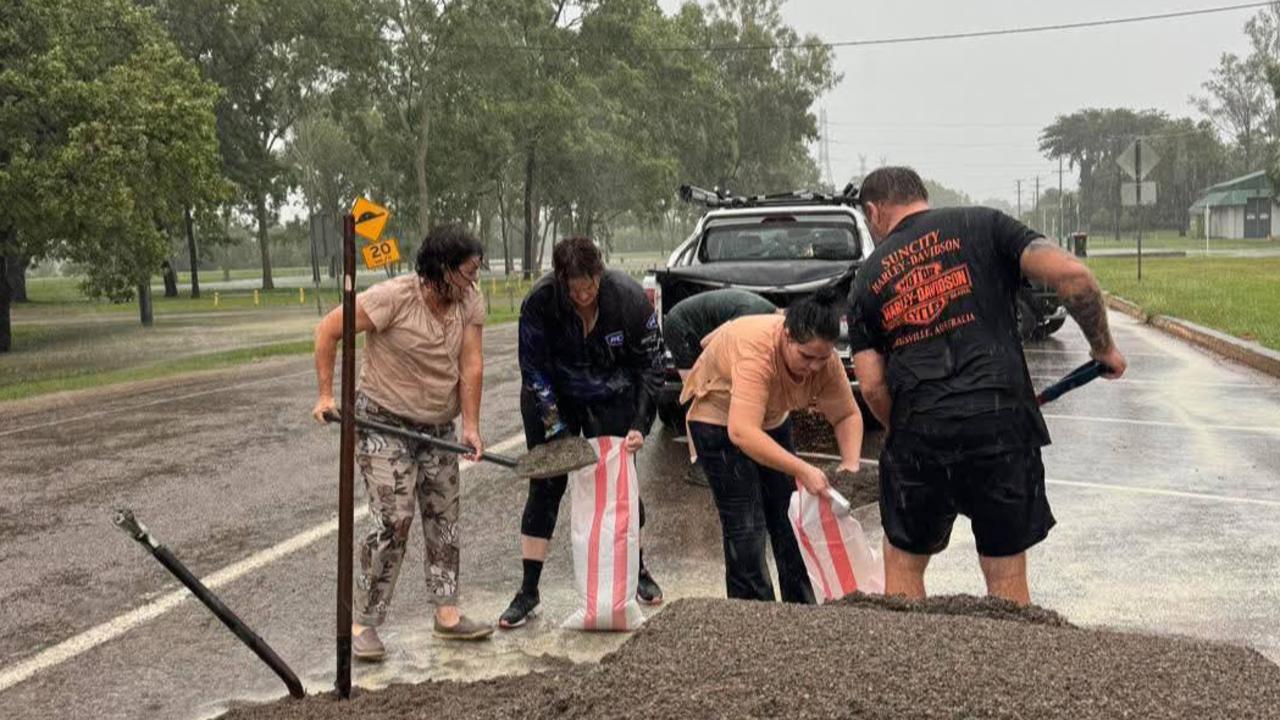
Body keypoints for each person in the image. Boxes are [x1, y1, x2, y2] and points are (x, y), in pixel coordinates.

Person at [847, 166, 1127, 606]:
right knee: (1004, 567)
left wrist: (908, 428)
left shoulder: (867, 277)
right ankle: (1012, 663)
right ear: (920, 197)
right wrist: (1104, 349)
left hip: (920, 433)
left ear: (873, 211)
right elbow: (1073, 276)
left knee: (903, 562)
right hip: (1000, 426)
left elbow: (873, 386)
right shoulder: (984, 224)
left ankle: (904, 664)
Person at [312, 224, 494, 661]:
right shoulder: (392, 298)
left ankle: (447, 614)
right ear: (443, 269)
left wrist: (471, 425)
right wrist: (325, 394)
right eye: (468, 272)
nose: (473, 281)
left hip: (437, 428)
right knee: (393, 518)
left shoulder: (468, 301)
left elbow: (472, 364)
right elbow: (328, 330)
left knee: (444, 517)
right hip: (384, 424)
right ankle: (363, 624)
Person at [500, 237, 665, 628]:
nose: (583, 296)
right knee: (546, 485)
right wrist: (556, 428)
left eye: (589, 286)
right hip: (552, 395)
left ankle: (635, 569)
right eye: (574, 289)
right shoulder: (539, 303)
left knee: (620, 482)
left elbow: (651, 366)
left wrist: (640, 425)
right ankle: (528, 591)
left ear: (600, 273)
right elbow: (533, 370)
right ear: (561, 281)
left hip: (612, 394)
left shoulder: (629, 300)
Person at [680, 288, 864, 603]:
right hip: (719, 419)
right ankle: (754, 614)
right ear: (787, 336)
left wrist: (850, 465)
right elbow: (743, 433)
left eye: (822, 358)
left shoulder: (824, 361)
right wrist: (803, 469)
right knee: (746, 524)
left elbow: (846, 414)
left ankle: (800, 607)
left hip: (769, 418)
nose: (814, 367)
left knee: (790, 517)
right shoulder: (758, 352)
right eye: (806, 357)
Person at [663, 288, 777, 380]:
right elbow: (707, 342)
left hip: (699, 329)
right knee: (694, 389)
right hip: (679, 325)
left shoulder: (765, 314)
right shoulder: (753, 315)